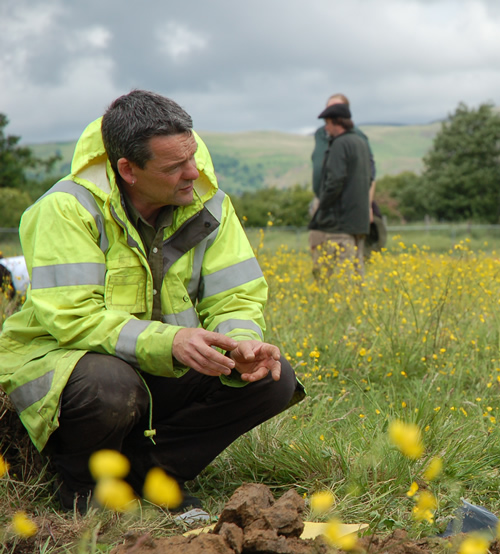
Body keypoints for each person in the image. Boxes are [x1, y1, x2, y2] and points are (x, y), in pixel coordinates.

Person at [0, 90, 303, 513]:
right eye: (175, 166)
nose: (193, 173)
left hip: (153, 362)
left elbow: (236, 294)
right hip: (66, 365)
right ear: (128, 169)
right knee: (111, 385)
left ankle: (153, 474)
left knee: (273, 376)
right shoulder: (65, 209)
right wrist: (171, 342)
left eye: (193, 157)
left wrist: (242, 341)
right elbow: (74, 318)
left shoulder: (210, 204)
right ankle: (83, 485)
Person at [309, 94, 385, 257]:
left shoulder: (343, 142)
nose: (326, 127)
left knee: (342, 264)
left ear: (339, 120)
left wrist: (324, 203)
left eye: (329, 122)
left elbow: (337, 180)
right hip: (349, 215)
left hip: (339, 214)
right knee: (352, 265)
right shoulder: (348, 141)